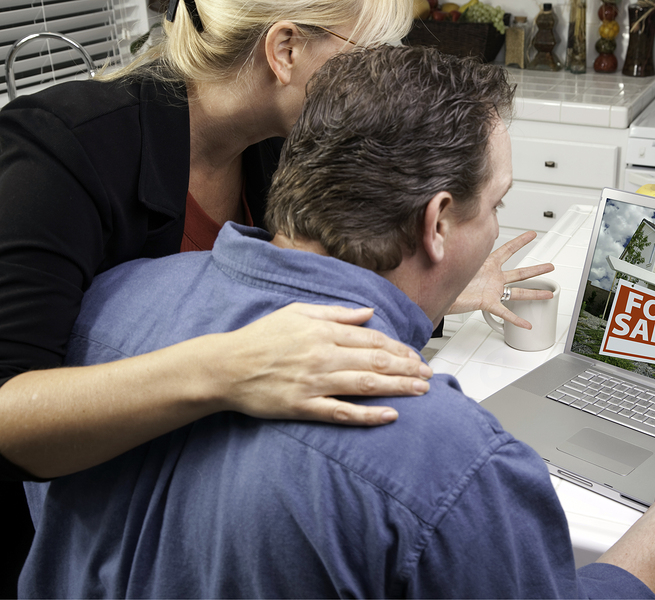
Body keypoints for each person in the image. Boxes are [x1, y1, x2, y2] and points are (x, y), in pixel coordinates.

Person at [20, 45, 655, 599]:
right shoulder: (451, 461)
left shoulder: (110, 303)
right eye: (495, 204)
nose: (497, 225)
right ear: (436, 223)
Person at [0, 0, 551, 482]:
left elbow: (305, 284)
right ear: (285, 50)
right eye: (367, 55)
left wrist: (432, 282)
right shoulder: (59, 152)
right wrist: (227, 368)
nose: (383, 77)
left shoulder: (278, 142)